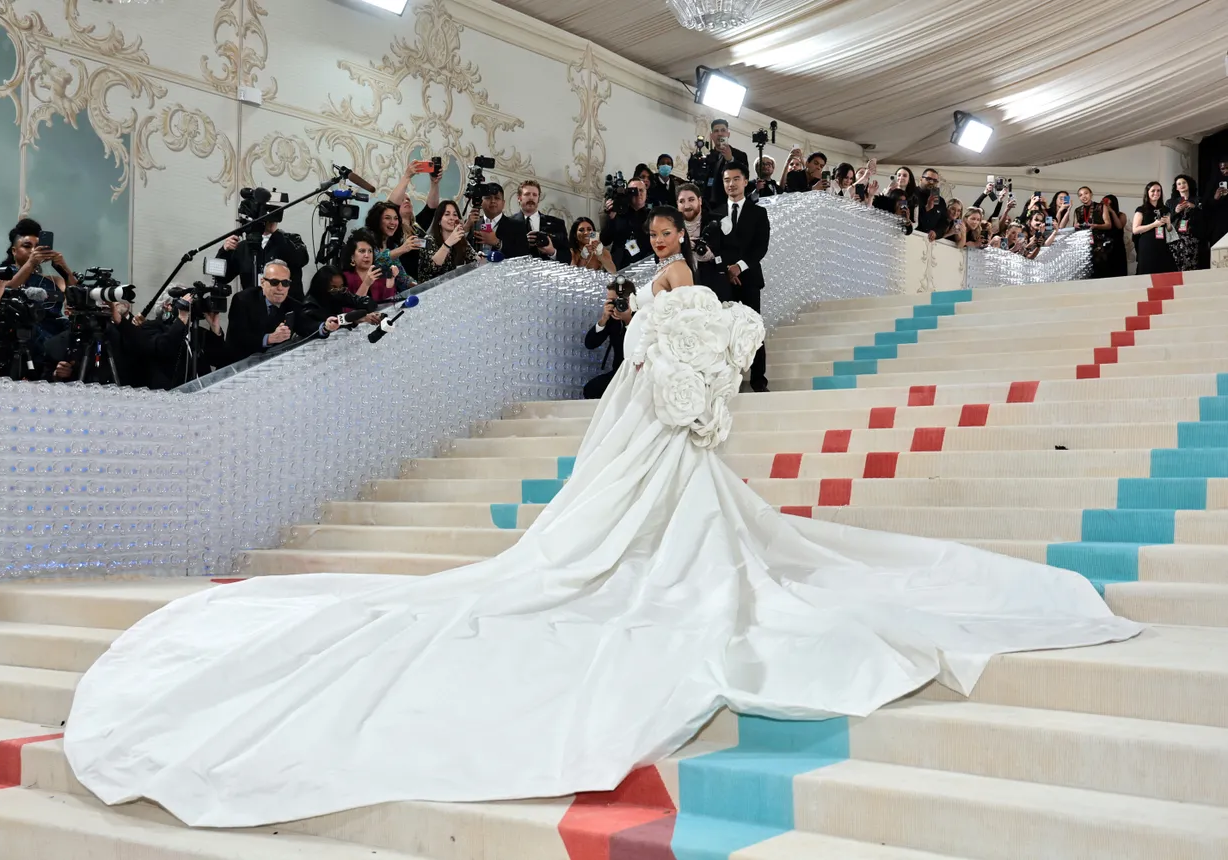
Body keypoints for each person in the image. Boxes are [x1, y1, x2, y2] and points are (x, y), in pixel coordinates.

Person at [65, 243, 1141, 834]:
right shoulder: (662, 323)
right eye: (668, 257)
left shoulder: (676, 316)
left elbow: (697, 384)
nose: (670, 261)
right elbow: (688, 382)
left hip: (676, 465)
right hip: (665, 464)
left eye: (675, 253)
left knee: (661, 574)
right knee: (636, 584)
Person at [715, 163, 770, 392]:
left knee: (753, 329)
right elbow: (712, 245)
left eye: (736, 179)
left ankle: (759, 380)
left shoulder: (758, 212)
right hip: (721, 280)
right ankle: (725, 383)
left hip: (748, 279)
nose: (731, 184)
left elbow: (761, 247)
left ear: (745, 182)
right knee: (722, 331)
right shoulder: (715, 211)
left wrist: (739, 267)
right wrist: (725, 270)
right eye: (727, 180)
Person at [225, 261, 341, 363]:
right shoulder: (243, 300)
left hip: (272, 363)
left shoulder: (293, 304)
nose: (280, 288)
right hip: (240, 363)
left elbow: (306, 326)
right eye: (274, 282)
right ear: (263, 282)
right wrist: (270, 338)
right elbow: (238, 338)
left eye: (285, 283)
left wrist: (325, 327)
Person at [217, 209, 310, 300]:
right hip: (253, 307)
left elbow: (301, 259)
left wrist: (275, 232)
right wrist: (225, 251)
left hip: (286, 308)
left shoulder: (291, 240)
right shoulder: (244, 247)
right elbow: (222, 278)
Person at [147, 291, 232, 389]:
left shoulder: (196, 332)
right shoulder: (151, 327)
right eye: (187, 302)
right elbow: (163, 348)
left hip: (202, 394)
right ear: (168, 306)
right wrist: (182, 319)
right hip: (170, 395)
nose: (190, 307)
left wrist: (215, 328)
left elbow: (220, 360)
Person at [582, 277, 634, 399]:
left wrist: (627, 319)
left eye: (619, 301)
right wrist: (604, 319)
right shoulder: (611, 319)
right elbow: (590, 344)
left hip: (639, 372)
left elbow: (637, 342)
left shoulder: (642, 315)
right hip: (618, 372)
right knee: (592, 389)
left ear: (630, 300)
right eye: (611, 301)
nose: (616, 305)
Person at [677, 182, 725, 300]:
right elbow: (659, 258)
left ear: (700, 201)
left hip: (714, 290)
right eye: (682, 201)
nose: (687, 205)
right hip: (682, 292)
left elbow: (730, 253)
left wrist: (712, 256)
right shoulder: (672, 228)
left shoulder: (718, 222)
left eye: (691, 199)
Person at [364, 201, 420, 296]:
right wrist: (402, 249)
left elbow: (401, 277)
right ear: (377, 220)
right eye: (387, 218)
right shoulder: (366, 239)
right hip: (367, 295)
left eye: (396, 218)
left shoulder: (392, 245)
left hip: (388, 295)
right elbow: (375, 264)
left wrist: (420, 286)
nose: (393, 223)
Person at [510, 180, 568, 264]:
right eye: (527, 194)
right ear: (519, 198)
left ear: (538, 198)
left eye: (535, 195)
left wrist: (552, 252)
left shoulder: (557, 224)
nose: (531, 197)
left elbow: (567, 258)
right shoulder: (508, 223)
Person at [418, 200, 478, 282]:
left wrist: (480, 257)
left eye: (455, 214)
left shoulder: (460, 239)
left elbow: (474, 259)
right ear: (439, 220)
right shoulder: (427, 240)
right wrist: (449, 242)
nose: (452, 218)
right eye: (447, 214)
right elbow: (432, 267)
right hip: (430, 290)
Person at [600, 176, 652, 270]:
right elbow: (605, 240)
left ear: (646, 193)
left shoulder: (653, 216)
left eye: (641, 190)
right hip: (618, 267)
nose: (638, 194)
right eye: (634, 191)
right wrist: (611, 218)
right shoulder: (618, 213)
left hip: (645, 266)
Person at [467, 183, 529, 259]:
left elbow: (523, 255)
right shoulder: (473, 223)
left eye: (497, 198)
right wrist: (465, 229)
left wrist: (498, 243)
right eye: (488, 197)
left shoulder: (517, 226)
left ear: (503, 203)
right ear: (481, 202)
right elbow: (461, 251)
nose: (493, 201)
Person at [1132, 181, 1177, 276]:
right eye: (1153, 191)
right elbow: (1135, 230)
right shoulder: (1141, 209)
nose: (1156, 193)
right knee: (1148, 269)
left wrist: (1168, 223)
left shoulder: (1165, 209)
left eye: (1158, 190)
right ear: (1147, 193)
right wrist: (1154, 224)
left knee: (1166, 270)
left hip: (1162, 244)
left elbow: (1169, 230)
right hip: (1147, 244)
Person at [703, 119, 750, 207]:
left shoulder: (740, 155)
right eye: (716, 131)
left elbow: (745, 177)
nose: (720, 133)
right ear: (711, 136)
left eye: (723, 130)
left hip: (730, 204)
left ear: (728, 134)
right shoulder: (708, 158)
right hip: (707, 206)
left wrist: (730, 160)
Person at [1073, 187, 1115, 279]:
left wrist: (1095, 226)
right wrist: (1076, 226)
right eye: (1080, 195)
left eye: (1086, 193)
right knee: (1086, 272)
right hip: (1084, 244)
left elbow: (1108, 225)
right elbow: (1075, 226)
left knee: (1100, 270)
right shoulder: (1077, 210)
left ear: (1091, 194)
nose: (1083, 196)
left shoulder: (1100, 206)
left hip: (1100, 243)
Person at [1168, 174, 1204, 272]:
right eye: (1179, 184)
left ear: (1189, 184)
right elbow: (1166, 220)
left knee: (1191, 266)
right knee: (1176, 266)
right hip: (1176, 239)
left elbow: (1204, 217)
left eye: (1184, 182)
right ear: (1176, 188)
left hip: (1192, 237)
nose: (1182, 185)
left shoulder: (1197, 200)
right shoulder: (1171, 202)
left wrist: (1194, 207)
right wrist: (1175, 211)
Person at [341, 231, 390, 303]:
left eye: (370, 251)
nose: (367, 255)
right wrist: (366, 284)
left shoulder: (379, 275)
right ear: (352, 257)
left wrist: (390, 281)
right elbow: (348, 311)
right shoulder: (344, 278)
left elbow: (389, 305)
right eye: (362, 251)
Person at [1101, 194, 1130, 277]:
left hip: (1117, 245)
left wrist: (1112, 211)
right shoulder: (1101, 215)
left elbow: (1119, 226)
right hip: (1104, 245)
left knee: (1118, 270)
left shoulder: (1121, 215)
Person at [1204, 157, 1228, 249]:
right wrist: (1215, 198)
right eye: (1223, 168)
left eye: (1227, 168)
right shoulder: (1212, 184)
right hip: (1218, 226)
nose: (1226, 171)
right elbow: (1206, 206)